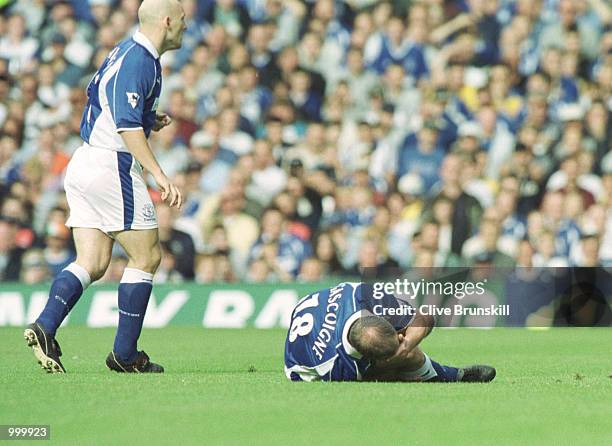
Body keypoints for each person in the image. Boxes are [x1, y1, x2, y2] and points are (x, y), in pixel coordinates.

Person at [23, 0, 186, 374]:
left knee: (93, 262)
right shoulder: (140, 61)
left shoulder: (127, 51)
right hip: (112, 164)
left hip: (85, 161)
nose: (185, 27)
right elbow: (126, 128)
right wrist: (159, 174)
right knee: (147, 257)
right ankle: (124, 354)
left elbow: (100, 97)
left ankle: (45, 327)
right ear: (166, 22)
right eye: (182, 21)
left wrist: (148, 118)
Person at [284, 282, 496, 382]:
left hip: (327, 305)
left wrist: (406, 344)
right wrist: (403, 356)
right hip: (301, 366)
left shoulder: (366, 294)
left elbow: (425, 317)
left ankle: (444, 375)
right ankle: (447, 376)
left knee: (409, 350)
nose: (401, 335)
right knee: (406, 361)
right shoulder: (335, 365)